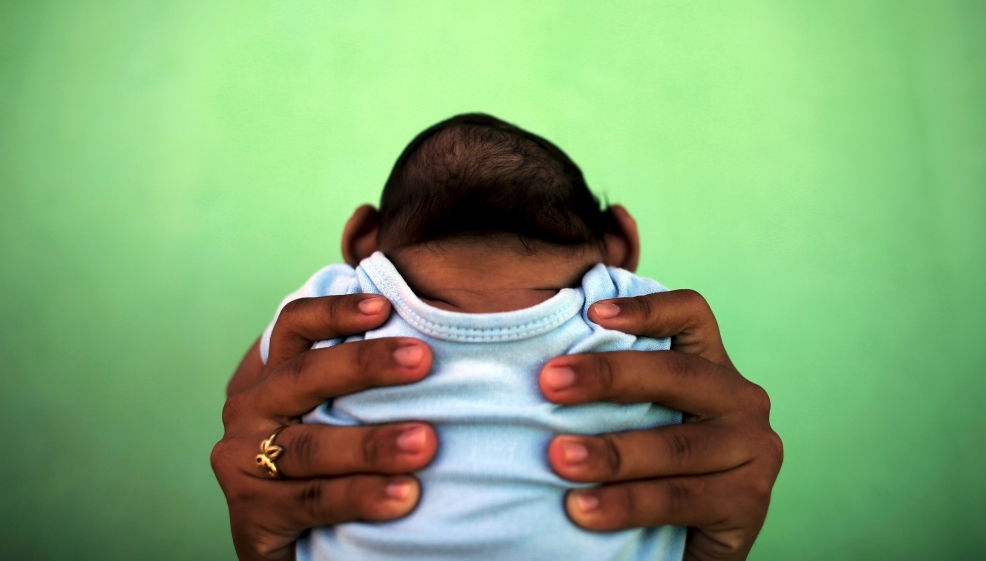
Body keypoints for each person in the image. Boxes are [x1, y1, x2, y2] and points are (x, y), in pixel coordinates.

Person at [211, 116, 784, 561]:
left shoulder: (336, 300)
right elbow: (707, 441)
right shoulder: (635, 309)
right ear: (621, 244)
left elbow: (247, 407)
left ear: (363, 239)